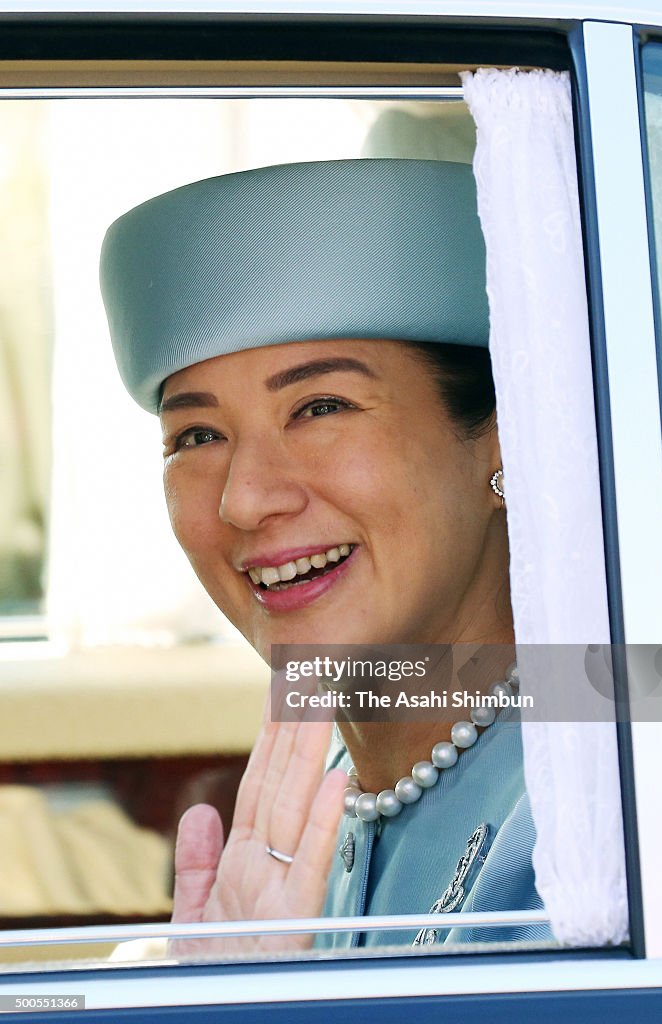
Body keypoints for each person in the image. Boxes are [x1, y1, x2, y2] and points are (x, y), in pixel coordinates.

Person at [100, 158, 549, 955]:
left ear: (502, 436)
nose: (243, 499)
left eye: (319, 407)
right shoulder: (319, 765)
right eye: (197, 436)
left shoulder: (625, 781)